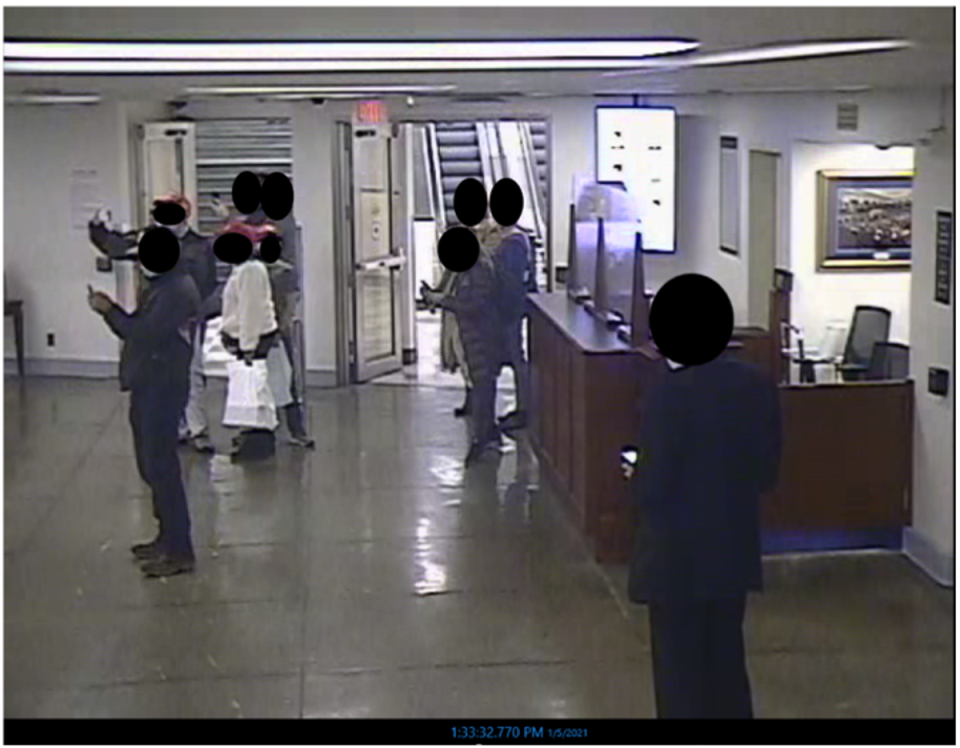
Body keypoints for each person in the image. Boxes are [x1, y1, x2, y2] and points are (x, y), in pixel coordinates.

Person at [624, 351, 782, 718]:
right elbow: (766, 474)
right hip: (730, 553)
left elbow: (653, 487)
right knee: (727, 665)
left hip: (674, 562)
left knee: (679, 678)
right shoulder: (756, 384)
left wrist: (635, 474)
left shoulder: (667, 393)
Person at [87, 251, 200, 578]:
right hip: (150, 383)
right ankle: (166, 538)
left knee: (162, 468)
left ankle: (179, 549)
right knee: (151, 465)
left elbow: (143, 333)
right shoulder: (167, 286)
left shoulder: (177, 290)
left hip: (162, 386)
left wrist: (110, 311)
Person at [89, 196, 219, 453]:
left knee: (190, 371)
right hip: (158, 312)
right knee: (165, 372)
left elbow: (207, 282)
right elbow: (117, 247)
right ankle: (179, 428)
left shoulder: (197, 246)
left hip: (184, 317)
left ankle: (197, 428)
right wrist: (97, 230)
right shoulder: (151, 238)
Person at [422, 231, 502, 466]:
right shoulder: (469, 268)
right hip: (472, 335)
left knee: (482, 386)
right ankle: (488, 434)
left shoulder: (479, 270)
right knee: (480, 385)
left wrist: (442, 301)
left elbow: (474, 306)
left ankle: (482, 438)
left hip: (481, 336)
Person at [219, 221, 283, 462]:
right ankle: (252, 435)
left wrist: (247, 347)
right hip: (249, 339)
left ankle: (258, 441)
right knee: (250, 390)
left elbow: (250, 311)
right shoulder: (244, 268)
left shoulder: (250, 271)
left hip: (253, 341)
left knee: (254, 390)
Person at [490, 221, 536, 433]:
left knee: (517, 359)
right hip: (512, 307)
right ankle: (522, 408)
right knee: (514, 358)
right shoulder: (516, 239)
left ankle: (524, 409)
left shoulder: (514, 243)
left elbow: (511, 281)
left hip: (510, 309)